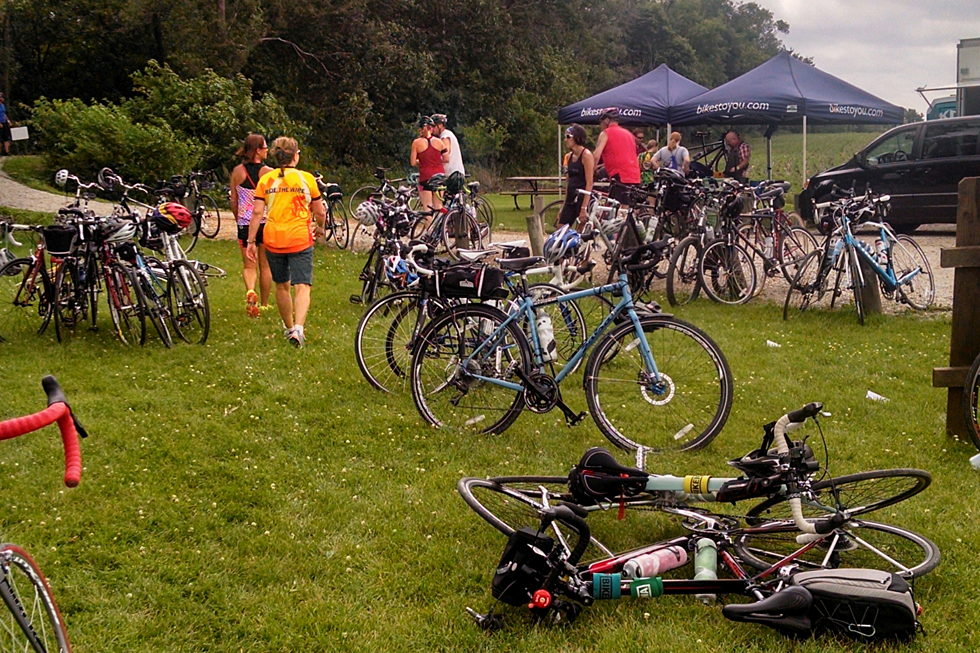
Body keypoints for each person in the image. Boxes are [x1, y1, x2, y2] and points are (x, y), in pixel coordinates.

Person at [246, 137, 325, 348]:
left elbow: (256, 212)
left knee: (281, 286)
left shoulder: (266, 180)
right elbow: (319, 211)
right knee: (302, 286)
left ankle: (289, 327)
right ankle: (299, 328)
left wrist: (251, 241)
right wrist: (320, 227)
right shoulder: (307, 179)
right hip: (299, 238)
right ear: (295, 155)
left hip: (273, 238)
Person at [229, 134, 274, 318]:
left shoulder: (237, 172)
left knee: (249, 265)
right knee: (265, 266)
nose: (267, 150)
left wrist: (238, 217)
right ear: (257, 150)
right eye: (264, 147)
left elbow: (234, 199)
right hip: (265, 222)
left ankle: (250, 291)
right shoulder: (269, 172)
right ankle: (264, 304)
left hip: (245, 224)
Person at [591, 107, 641, 203]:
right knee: (626, 208)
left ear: (606, 121)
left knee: (618, 211)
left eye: (601, 123)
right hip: (635, 175)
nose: (601, 126)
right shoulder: (629, 134)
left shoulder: (606, 133)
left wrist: (589, 174)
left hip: (620, 176)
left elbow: (596, 156)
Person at [557, 124, 594, 229]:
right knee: (560, 229)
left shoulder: (586, 155)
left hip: (582, 197)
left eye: (568, 137)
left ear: (577, 138)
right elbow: (569, 182)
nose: (566, 140)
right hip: (571, 197)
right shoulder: (569, 156)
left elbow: (589, 183)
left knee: (581, 232)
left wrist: (584, 207)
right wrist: (563, 206)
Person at [410, 116, 448, 211]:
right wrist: (436, 161)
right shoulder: (439, 142)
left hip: (425, 177)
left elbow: (413, 162)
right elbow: (446, 158)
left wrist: (422, 161)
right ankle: (441, 225)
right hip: (439, 176)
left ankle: (429, 226)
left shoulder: (416, 143)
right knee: (439, 206)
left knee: (427, 208)